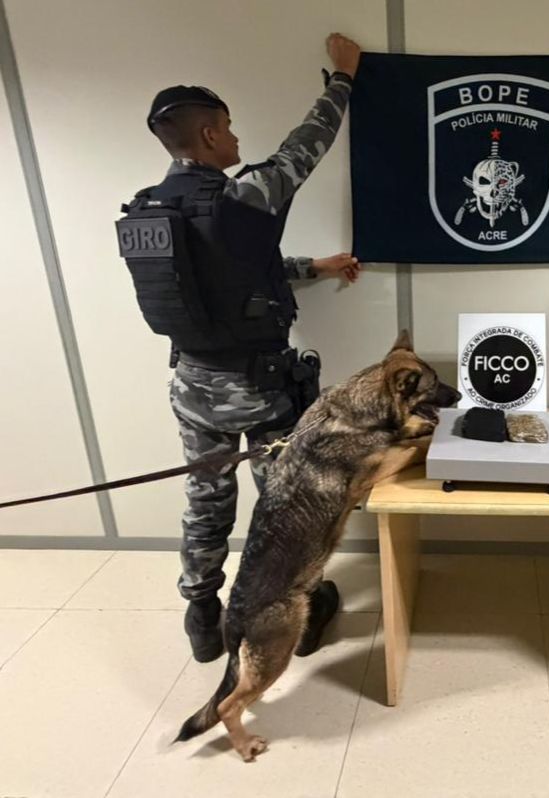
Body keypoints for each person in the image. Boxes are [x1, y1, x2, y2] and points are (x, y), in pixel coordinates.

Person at [120, 33, 362, 662]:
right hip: (259, 389)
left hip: (191, 385)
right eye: (226, 130)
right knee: (285, 507)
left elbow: (224, 271)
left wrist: (313, 265)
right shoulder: (241, 195)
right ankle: (296, 616)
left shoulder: (148, 210)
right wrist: (343, 78)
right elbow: (304, 147)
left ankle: (202, 615)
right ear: (207, 135)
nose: (234, 140)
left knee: (205, 501)